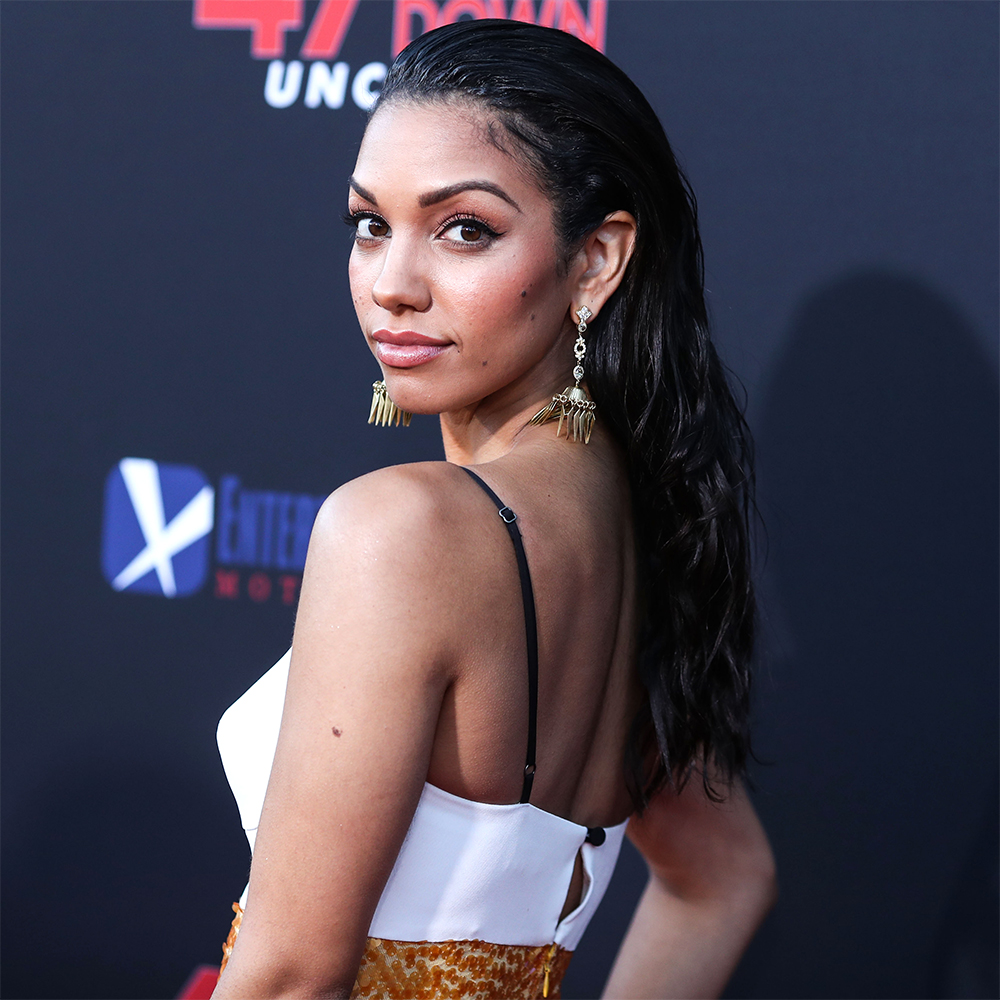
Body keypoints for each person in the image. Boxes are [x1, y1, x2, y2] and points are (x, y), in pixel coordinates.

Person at [212, 18, 776, 1000]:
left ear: (596, 261)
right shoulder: (641, 526)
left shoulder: (402, 532)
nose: (393, 283)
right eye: (369, 224)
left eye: (464, 228)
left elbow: (290, 977)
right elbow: (724, 877)